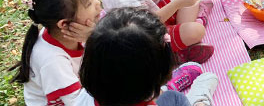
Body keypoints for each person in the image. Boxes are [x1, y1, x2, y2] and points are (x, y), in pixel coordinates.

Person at [75, 7, 219, 106]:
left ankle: (167, 88)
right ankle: (199, 99)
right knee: (177, 97)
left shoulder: (86, 96)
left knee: (171, 97)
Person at [11, 0, 101, 106]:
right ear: (64, 24)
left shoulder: (75, 33)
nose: (98, 3)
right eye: (89, 3)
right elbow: (80, 104)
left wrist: (94, 36)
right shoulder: (52, 61)